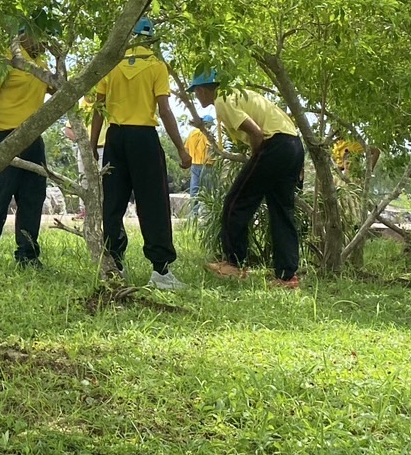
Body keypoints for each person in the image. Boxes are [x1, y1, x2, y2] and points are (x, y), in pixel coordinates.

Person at [88, 18, 193, 290]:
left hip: (115, 138)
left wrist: (91, 145)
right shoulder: (156, 66)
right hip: (144, 138)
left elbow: (98, 108)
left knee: (113, 203)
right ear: (149, 40)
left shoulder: (112, 65)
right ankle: (161, 271)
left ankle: (115, 267)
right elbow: (165, 110)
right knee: (153, 203)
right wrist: (181, 149)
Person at [189, 71, 305, 289]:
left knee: (236, 202)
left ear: (202, 90)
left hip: (275, 145)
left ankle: (234, 264)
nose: (197, 97)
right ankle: (287, 276)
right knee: (282, 210)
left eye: (195, 92)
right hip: (294, 146)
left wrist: (256, 156)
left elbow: (256, 133)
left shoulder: (222, 99)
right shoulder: (237, 93)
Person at [0, 27, 54, 265]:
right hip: (3, 136)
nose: (44, 42)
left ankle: (28, 255)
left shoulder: (41, 63)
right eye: (41, 35)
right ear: (25, 34)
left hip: (32, 139)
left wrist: (61, 69)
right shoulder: (5, 57)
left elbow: (58, 88)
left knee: (33, 197)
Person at [186, 115, 214, 217]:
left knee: (194, 190)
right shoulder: (208, 134)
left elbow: (187, 148)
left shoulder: (192, 133)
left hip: (194, 164)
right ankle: (207, 214)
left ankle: (193, 214)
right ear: (208, 124)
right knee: (208, 190)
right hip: (207, 165)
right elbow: (213, 149)